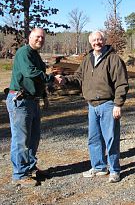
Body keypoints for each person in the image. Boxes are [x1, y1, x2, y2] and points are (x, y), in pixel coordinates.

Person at [56, 30, 128, 183]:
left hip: (108, 104)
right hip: (92, 105)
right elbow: (78, 77)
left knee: (111, 139)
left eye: (100, 39)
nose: (97, 42)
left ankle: (115, 170)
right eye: (94, 40)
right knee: (94, 139)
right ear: (90, 42)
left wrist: (118, 104)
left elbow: (121, 83)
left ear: (104, 40)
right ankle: (99, 167)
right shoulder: (87, 59)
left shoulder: (114, 59)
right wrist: (65, 80)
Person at [6, 28, 59, 187]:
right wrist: (52, 79)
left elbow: (38, 80)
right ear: (30, 37)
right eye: (37, 37)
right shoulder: (24, 52)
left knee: (33, 138)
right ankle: (20, 174)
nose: (40, 40)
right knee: (21, 139)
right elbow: (31, 73)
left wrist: (44, 97)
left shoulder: (35, 55)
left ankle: (30, 167)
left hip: (32, 100)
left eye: (42, 38)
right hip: (21, 101)